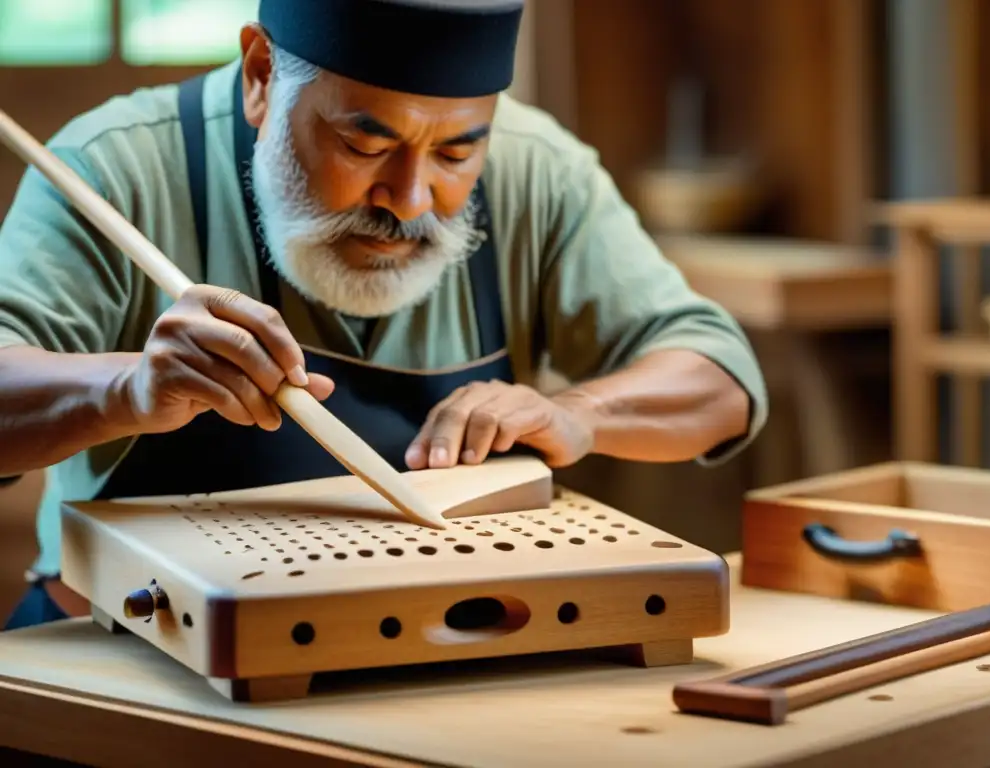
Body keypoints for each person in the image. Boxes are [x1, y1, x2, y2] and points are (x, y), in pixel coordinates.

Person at [0, 0, 767, 631]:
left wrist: (582, 412)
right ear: (262, 76)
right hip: (122, 647)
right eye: (364, 143)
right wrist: (127, 390)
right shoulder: (118, 165)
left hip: (434, 652)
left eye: (457, 155)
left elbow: (717, 375)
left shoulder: (538, 170)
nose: (409, 200)